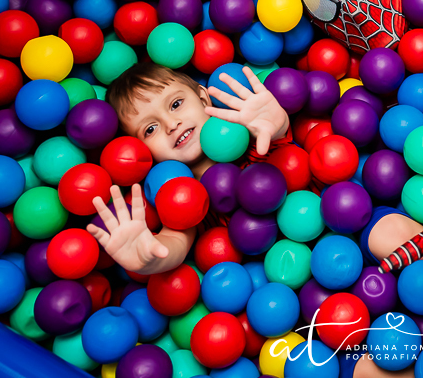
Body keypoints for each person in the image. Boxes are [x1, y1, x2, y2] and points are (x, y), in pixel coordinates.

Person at [85, 61, 290, 275]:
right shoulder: (180, 197)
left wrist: (277, 121)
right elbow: (174, 242)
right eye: (150, 129)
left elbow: (281, 144)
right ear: (140, 150)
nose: (171, 124)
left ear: (203, 98)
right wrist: (148, 258)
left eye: (175, 104)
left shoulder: (256, 143)